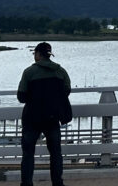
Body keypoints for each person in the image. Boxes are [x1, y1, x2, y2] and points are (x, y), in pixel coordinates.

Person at [17, 42, 72, 186]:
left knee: (28, 153)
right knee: (55, 153)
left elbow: (21, 96)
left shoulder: (29, 72)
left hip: (32, 118)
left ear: (38, 54)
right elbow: (66, 91)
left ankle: (27, 183)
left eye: (35, 53)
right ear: (49, 54)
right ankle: (57, 183)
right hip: (52, 117)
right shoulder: (60, 71)